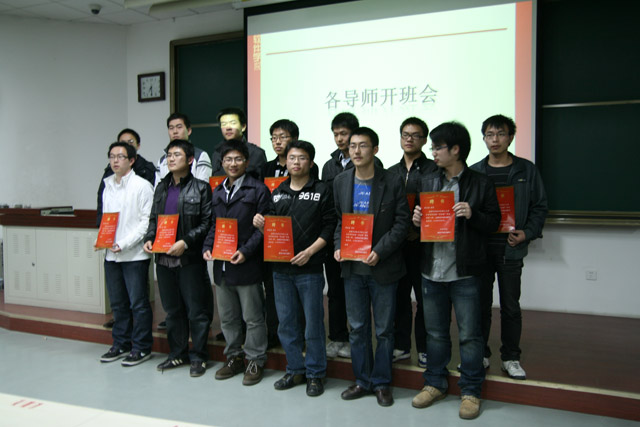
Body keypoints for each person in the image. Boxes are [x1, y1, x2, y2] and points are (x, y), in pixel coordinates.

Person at [411, 122, 500, 420]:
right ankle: (435, 383)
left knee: (470, 336)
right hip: (431, 270)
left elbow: (493, 222)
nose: (433, 152)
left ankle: (471, 390)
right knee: (435, 333)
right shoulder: (428, 180)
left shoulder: (480, 183)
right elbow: (422, 223)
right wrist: (417, 219)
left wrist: (473, 214)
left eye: (438, 147)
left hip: (465, 273)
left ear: (456, 149)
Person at [333, 127, 410, 407]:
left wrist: (380, 250)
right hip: (352, 269)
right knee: (357, 327)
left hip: (383, 267)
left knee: (384, 330)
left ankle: (381, 382)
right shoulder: (341, 181)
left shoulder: (392, 181)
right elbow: (340, 221)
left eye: (363, 145)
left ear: (375, 149)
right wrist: (338, 245)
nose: (356, 151)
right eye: (352, 145)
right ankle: (362, 380)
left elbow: (402, 223)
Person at [254, 140, 335, 397]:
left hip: (310, 269)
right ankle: (294, 369)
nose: (296, 162)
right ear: (286, 162)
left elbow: (329, 226)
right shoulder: (277, 191)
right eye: (292, 158)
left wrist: (310, 252)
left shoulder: (321, 190)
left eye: (301, 158)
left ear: (310, 162)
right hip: (280, 270)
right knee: (286, 324)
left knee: (313, 325)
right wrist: (262, 226)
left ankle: (315, 373)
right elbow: (273, 228)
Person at [470, 114, 548, 380]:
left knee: (510, 307)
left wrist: (527, 233)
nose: (495, 140)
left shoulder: (526, 170)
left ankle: (511, 357)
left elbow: (540, 207)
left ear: (511, 137)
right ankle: (481, 353)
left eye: (501, 134)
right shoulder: (475, 171)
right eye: (490, 135)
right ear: (483, 138)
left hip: (511, 249)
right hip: (482, 250)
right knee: (480, 305)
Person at [143, 139, 214, 378]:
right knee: (172, 310)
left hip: (189, 258)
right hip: (163, 258)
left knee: (196, 311)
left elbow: (207, 223)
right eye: (169, 155)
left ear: (190, 160)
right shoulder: (161, 187)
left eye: (177, 155)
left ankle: (199, 356)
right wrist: (150, 238)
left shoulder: (201, 188)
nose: (171, 159)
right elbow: (153, 219)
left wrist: (185, 242)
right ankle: (177, 353)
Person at [203, 140, 270, 386]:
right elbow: (215, 224)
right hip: (222, 265)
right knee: (228, 318)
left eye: (238, 159)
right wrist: (207, 246)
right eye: (228, 160)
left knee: (253, 317)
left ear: (247, 162)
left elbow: (262, 229)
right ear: (222, 163)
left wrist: (245, 251)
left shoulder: (258, 189)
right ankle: (233, 357)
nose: (233, 164)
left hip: (247, 263)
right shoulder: (218, 191)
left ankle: (255, 360)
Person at [321, 112, 381, 359]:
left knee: (364, 296)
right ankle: (338, 337)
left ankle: (364, 344)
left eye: (344, 134)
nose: (340, 139)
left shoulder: (374, 164)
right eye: (336, 134)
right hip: (338, 239)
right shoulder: (329, 165)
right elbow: (329, 205)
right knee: (335, 291)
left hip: (367, 242)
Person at [98, 142, 154, 366]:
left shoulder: (142, 186)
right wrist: (103, 239)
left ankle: (141, 347)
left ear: (131, 160)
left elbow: (146, 222)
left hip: (134, 255)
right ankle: (121, 343)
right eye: (111, 156)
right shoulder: (107, 185)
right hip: (111, 255)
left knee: (138, 304)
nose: (115, 160)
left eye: (120, 156)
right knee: (118, 303)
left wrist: (123, 243)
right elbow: (107, 219)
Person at [387, 117, 437, 367]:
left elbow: (440, 209)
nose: (409, 139)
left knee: (425, 300)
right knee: (399, 298)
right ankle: (401, 346)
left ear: (424, 140)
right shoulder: (390, 172)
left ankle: (425, 348)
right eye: (405, 134)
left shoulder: (433, 170)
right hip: (397, 247)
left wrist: (421, 230)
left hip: (425, 246)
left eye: (415, 135)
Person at [210, 107, 267, 180]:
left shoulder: (256, 153)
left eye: (233, 123)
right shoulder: (217, 153)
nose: (228, 128)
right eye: (224, 124)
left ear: (243, 127)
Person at [157, 113, 212, 183]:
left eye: (179, 127)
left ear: (189, 131)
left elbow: (203, 186)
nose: (175, 131)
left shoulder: (200, 156)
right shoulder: (162, 160)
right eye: (171, 128)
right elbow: (158, 187)